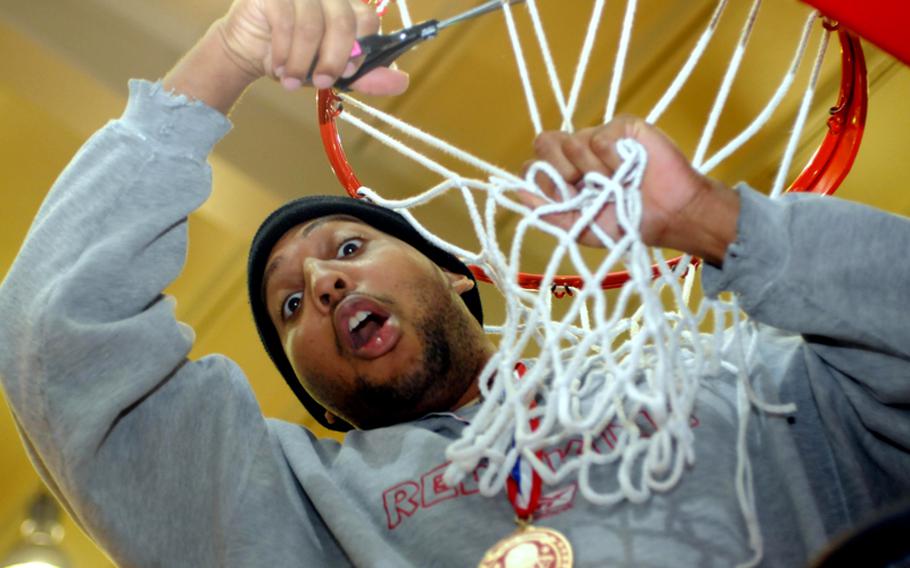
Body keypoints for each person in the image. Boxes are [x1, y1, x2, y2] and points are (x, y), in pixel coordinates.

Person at [1, 0, 908, 565]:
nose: (318, 279)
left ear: (455, 268)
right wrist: (224, 57)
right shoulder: (294, 513)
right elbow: (55, 336)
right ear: (317, 402)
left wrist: (715, 223)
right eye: (287, 305)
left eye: (348, 248)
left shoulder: (743, 373)